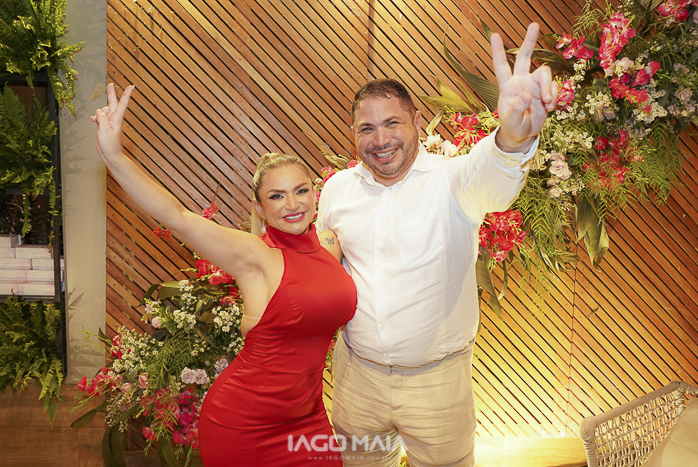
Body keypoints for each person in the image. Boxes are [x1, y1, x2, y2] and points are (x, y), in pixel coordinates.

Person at [316, 23, 559, 466]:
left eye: (392, 123)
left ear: (416, 122)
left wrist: (512, 137)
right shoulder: (337, 190)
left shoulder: (453, 180)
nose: (380, 139)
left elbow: (493, 177)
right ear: (353, 134)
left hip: (438, 385)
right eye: (367, 128)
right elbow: (324, 266)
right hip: (356, 379)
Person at [92, 84, 356, 466]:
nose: (292, 204)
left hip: (309, 419)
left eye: (301, 191)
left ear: (315, 194)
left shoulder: (330, 244)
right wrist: (114, 156)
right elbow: (177, 217)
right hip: (244, 423)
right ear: (260, 208)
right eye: (277, 196)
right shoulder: (255, 255)